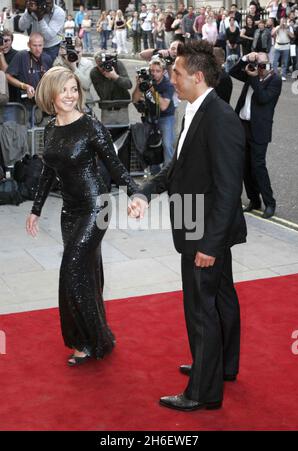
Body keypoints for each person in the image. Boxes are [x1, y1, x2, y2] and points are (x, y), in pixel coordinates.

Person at [130, 40, 246, 411]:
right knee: (222, 299)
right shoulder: (196, 109)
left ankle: (202, 391)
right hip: (201, 223)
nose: (171, 79)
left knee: (201, 309)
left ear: (196, 76)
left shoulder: (219, 118)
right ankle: (220, 367)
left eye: (177, 73)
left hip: (203, 230)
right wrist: (146, 192)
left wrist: (209, 246)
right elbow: (177, 166)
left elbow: (230, 188)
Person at [26, 66, 139, 366]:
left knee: (71, 270)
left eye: (73, 89)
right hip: (69, 211)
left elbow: (114, 165)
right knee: (88, 272)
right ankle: (98, 336)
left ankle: (87, 341)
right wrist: (36, 210)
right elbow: (49, 171)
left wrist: (135, 193)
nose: (70, 95)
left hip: (96, 206)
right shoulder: (50, 128)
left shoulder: (89, 125)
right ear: (50, 93)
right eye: (63, 89)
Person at [229, 51, 282, 218]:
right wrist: (245, 59)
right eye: (257, 64)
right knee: (245, 166)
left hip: (259, 129)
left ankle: (270, 203)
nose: (259, 68)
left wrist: (253, 77)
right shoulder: (250, 72)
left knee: (258, 167)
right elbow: (232, 72)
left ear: (269, 65)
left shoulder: (275, 80)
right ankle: (254, 200)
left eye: (262, 65)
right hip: (243, 125)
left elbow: (263, 98)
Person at [6, 32, 52, 123]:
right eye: (34, 45)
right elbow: (8, 76)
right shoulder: (22, 56)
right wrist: (24, 86)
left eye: (40, 45)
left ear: (43, 45)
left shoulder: (47, 58)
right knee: (26, 132)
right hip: (24, 105)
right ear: (28, 45)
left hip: (42, 105)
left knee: (40, 133)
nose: (38, 49)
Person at [18, 0, 65, 64]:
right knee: (34, 71)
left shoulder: (59, 12)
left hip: (51, 48)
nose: (46, 6)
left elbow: (48, 36)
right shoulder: (34, 7)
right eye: (45, 2)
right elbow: (21, 27)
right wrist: (28, 12)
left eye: (49, 3)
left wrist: (40, 17)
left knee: (49, 71)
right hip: (35, 46)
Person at [53, 37, 94, 105]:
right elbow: (57, 85)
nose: (76, 55)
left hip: (84, 102)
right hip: (65, 102)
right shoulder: (59, 63)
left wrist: (74, 68)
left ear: (82, 50)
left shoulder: (88, 64)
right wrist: (62, 58)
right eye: (72, 52)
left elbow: (86, 85)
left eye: (78, 52)